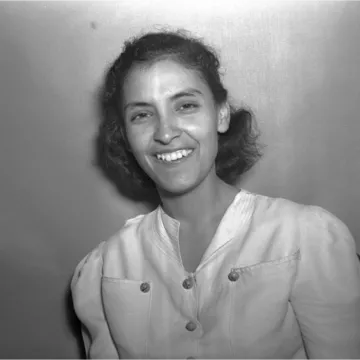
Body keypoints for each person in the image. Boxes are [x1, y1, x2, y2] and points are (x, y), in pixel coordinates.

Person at [71, 29, 360, 360]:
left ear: (221, 114)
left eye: (186, 105)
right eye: (142, 114)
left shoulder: (305, 239)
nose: (165, 132)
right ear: (125, 135)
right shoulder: (104, 268)